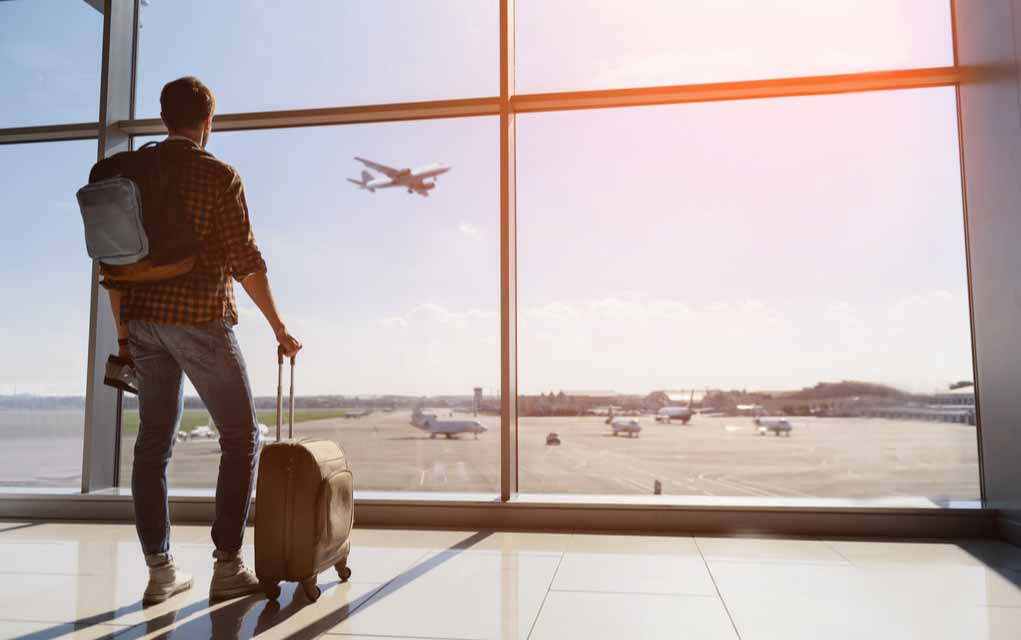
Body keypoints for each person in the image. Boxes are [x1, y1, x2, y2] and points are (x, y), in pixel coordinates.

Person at [104, 76, 301, 605]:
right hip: (198, 318)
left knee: (153, 445)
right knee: (241, 436)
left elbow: (112, 266)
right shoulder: (218, 175)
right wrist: (278, 327)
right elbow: (245, 261)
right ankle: (227, 565)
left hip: (142, 323)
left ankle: (160, 570)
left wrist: (124, 335)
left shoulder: (130, 173)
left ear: (163, 118)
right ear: (207, 122)